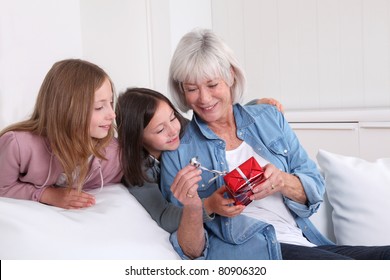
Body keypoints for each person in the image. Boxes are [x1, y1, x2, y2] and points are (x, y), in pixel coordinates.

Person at [160, 28, 390, 260]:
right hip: (257, 253)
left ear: (230, 76)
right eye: (191, 89)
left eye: (212, 85)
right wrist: (205, 206)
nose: (204, 98)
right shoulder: (177, 151)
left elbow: (315, 188)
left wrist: (282, 181)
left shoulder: (269, 118)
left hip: (306, 242)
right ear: (181, 90)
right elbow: (189, 251)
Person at [115, 87, 283, 233]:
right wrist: (208, 206)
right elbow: (164, 216)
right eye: (160, 130)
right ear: (138, 137)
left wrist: (255, 104)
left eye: (173, 117)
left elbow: (219, 121)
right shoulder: (138, 171)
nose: (173, 130)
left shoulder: (185, 130)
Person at [0, 59, 123, 209]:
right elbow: (3, 187)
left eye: (111, 103)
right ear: (67, 109)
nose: (112, 114)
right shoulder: (18, 145)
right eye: (99, 107)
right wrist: (47, 194)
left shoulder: (112, 153)